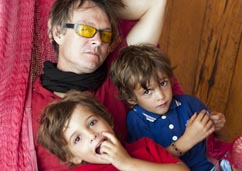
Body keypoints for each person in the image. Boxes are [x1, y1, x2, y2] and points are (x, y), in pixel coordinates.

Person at [32, 0, 186, 170]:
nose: (97, 41)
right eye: (86, 29)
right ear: (57, 32)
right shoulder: (29, 109)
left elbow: (155, 3)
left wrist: (103, 6)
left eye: (105, 34)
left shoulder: (120, 73)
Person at [109, 43, 229, 171]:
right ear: (131, 98)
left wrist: (216, 122)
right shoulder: (136, 121)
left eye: (163, 83)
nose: (161, 96)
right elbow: (148, 163)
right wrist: (187, 140)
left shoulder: (189, 103)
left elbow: (214, 137)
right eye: (147, 92)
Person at [37, 90, 190, 171]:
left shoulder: (145, 147)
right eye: (77, 138)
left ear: (108, 120)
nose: (92, 135)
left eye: (92, 123)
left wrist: (129, 164)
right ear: (72, 157)